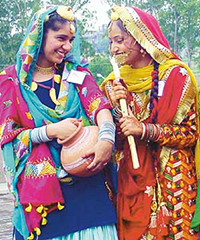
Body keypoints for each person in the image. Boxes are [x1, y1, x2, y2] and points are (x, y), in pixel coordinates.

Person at [0, 5, 118, 240]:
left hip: (89, 192)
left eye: (71, 40)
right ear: (39, 36)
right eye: (61, 38)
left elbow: (100, 107)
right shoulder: (11, 81)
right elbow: (6, 135)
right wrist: (48, 131)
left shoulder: (78, 75)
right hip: (43, 199)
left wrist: (106, 139)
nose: (67, 46)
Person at [100, 4, 200, 240]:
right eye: (111, 42)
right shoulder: (112, 84)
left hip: (173, 178)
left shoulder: (177, 76)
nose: (114, 49)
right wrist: (115, 108)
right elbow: (115, 140)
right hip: (132, 181)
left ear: (141, 39)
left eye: (120, 40)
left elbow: (190, 133)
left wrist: (145, 129)